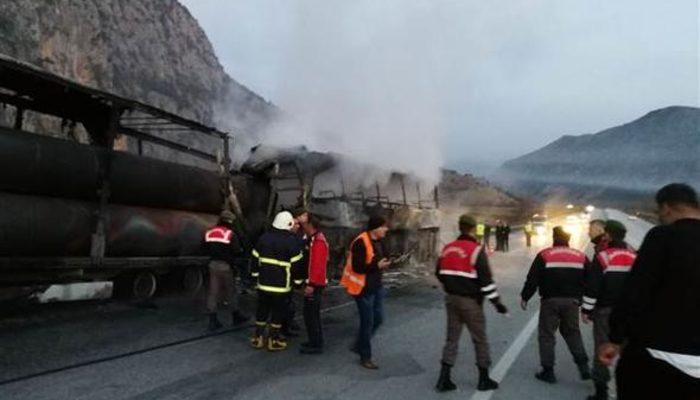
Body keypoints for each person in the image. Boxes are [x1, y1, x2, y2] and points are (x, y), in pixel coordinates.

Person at [599, 183, 700, 399]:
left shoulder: (663, 237)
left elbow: (636, 291)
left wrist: (615, 338)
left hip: (658, 355)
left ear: (665, 208)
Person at [435, 214, 509, 392]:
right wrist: (497, 303)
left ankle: (443, 379)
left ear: (459, 227)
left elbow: (439, 272)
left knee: (451, 339)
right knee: (480, 340)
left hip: (451, 300)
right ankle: (483, 379)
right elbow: (486, 282)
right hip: (471, 303)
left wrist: (451, 286)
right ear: (474, 229)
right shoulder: (476, 250)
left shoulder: (447, 248)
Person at [520, 226, 591, 384]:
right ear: (568, 240)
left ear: (554, 239)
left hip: (550, 301)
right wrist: (583, 299)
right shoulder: (581, 256)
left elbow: (532, 279)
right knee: (573, 333)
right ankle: (584, 367)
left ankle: (548, 371)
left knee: (546, 335)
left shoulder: (544, 255)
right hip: (572, 303)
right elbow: (591, 280)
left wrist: (525, 297)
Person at [581, 220, 636, 400]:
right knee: (628, 351)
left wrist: (586, 310)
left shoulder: (603, 257)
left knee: (602, 348)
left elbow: (593, 287)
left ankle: (601, 391)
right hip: (629, 312)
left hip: (605, 311)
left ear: (608, 235)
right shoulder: (634, 257)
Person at [341, 215, 391, 369]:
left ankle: (360, 344)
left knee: (378, 319)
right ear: (375, 228)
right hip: (362, 289)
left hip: (376, 286)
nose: (386, 229)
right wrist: (377, 266)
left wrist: (386, 263)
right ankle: (365, 356)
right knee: (367, 322)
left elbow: (381, 258)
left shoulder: (380, 241)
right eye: (383, 227)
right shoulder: (360, 242)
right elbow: (358, 267)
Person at [250, 211, 305, 352]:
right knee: (277, 312)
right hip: (281, 287)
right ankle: (273, 340)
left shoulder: (263, 238)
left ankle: (258, 338)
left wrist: (255, 275)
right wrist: (298, 283)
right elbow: (297, 267)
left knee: (262, 309)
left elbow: (254, 259)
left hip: (263, 285)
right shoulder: (291, 242)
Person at [204, 210, 249, 331]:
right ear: (230, 221)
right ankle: (236, 316)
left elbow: (204, 248)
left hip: (212, 264)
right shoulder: (230, 234)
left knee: (213, 292)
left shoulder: (209, 232)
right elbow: (237, 251)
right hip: (226, 266)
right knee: (231, 291)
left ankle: (212, 321)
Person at [300, 215, 329, 355]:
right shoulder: (315, 239)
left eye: (304, 223)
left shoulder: (317, 242)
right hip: (316, 282)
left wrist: (311, 284)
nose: (302, 226)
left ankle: (316, 344)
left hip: (315, 284)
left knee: (311, 315)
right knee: (311, 314)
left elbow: (316, 265)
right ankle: (314, 340)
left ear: (310, 225)